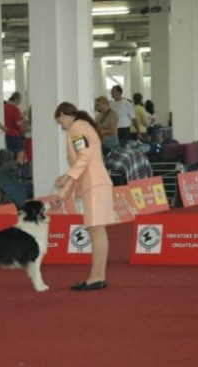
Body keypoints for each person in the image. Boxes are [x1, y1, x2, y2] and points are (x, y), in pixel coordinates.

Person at [53, 102, 115, 291]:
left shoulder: (77, 127)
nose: (61, 126)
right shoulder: (84, 126)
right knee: (97, 231)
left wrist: (67, 176)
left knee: (96, 230)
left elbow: (84, 156)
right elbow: (80, 165)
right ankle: (98, 276)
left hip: (94, 184)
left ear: (64, 114)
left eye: (59, 121)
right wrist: (62, 195)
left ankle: (96, 278)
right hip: (95, 183)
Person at [4, 92, 25, 164]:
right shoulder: (15, 109)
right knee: (20, 154)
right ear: (16, 99)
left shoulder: (5, 107)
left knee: (10, 155)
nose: (20, 102)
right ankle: (18, 172)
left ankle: (10, 172)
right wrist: (24, 121)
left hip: (6, 133)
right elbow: (18, 123)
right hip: (14, 134)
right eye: (19, 100)